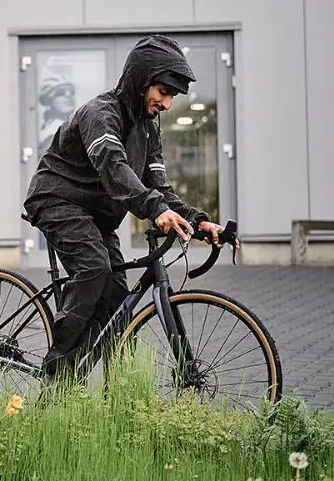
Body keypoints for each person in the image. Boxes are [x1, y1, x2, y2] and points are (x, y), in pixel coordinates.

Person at [22, 34, 237, 377]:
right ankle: (56, 374)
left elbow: (159, 187)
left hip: (96, 215)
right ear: (140, 81)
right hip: (56, 198)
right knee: (94, 267)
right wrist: (154, 210)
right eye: (163, 93)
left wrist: (197, 222)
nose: (167, 104)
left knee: (117, 303)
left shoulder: (149, 128)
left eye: (172, 97)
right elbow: (114, 168)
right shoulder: (99, 114)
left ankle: (114, 395)